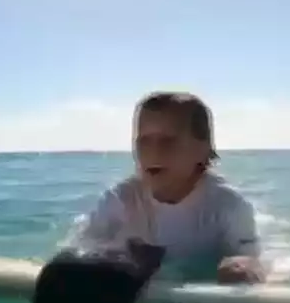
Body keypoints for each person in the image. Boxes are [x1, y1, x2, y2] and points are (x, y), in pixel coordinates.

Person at [73, 91, 265, 284]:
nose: (153, 151)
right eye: (143, 141)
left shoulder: (229, 206)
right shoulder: (121, 200)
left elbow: (252, 260)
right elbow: (82, 248)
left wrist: (244, 264)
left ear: (202, 149)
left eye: (168, 141)